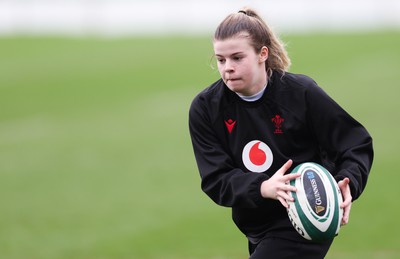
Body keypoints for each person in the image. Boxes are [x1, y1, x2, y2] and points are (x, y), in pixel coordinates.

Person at [188, 7, 374, 259]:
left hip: (310, 215)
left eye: (237, 58)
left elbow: (354, 143)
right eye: (221, 60)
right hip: (256, 226)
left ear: (262, 54)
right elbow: (215, 178)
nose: (227, 68)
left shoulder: (301, 93)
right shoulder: (206, 108)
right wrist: (263, 187)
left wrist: (348, 182)